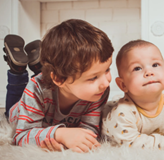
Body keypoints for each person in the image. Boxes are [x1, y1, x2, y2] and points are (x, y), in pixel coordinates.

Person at [3, 19, 114, 153]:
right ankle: (17, 71)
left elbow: (90, 130)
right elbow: (21, 137)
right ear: (60, 79)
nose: (106, 82)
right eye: (93, 77)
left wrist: (74, 139)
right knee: (11, 107)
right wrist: (59, 134)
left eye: (107, 70)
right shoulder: (36, 89)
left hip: (51, 86)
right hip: (19, 110)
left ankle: (40, 66)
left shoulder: (98, 92)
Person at [102, 40, 164, 151]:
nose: (149, 72)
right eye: (137, 68)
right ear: (123, 84)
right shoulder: (122, 113)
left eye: (155, 65)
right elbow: (130, 142)